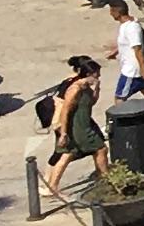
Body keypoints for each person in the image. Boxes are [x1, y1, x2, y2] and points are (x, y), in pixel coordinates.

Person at [36, 54, 102, 207]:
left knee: (62, 152)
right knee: (65, 152)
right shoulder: (75, 85)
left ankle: (48, 183)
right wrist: (65, 130)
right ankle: (50, 186)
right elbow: (67, 108)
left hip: (64, 121)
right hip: (62, 121)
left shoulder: (72, 80)